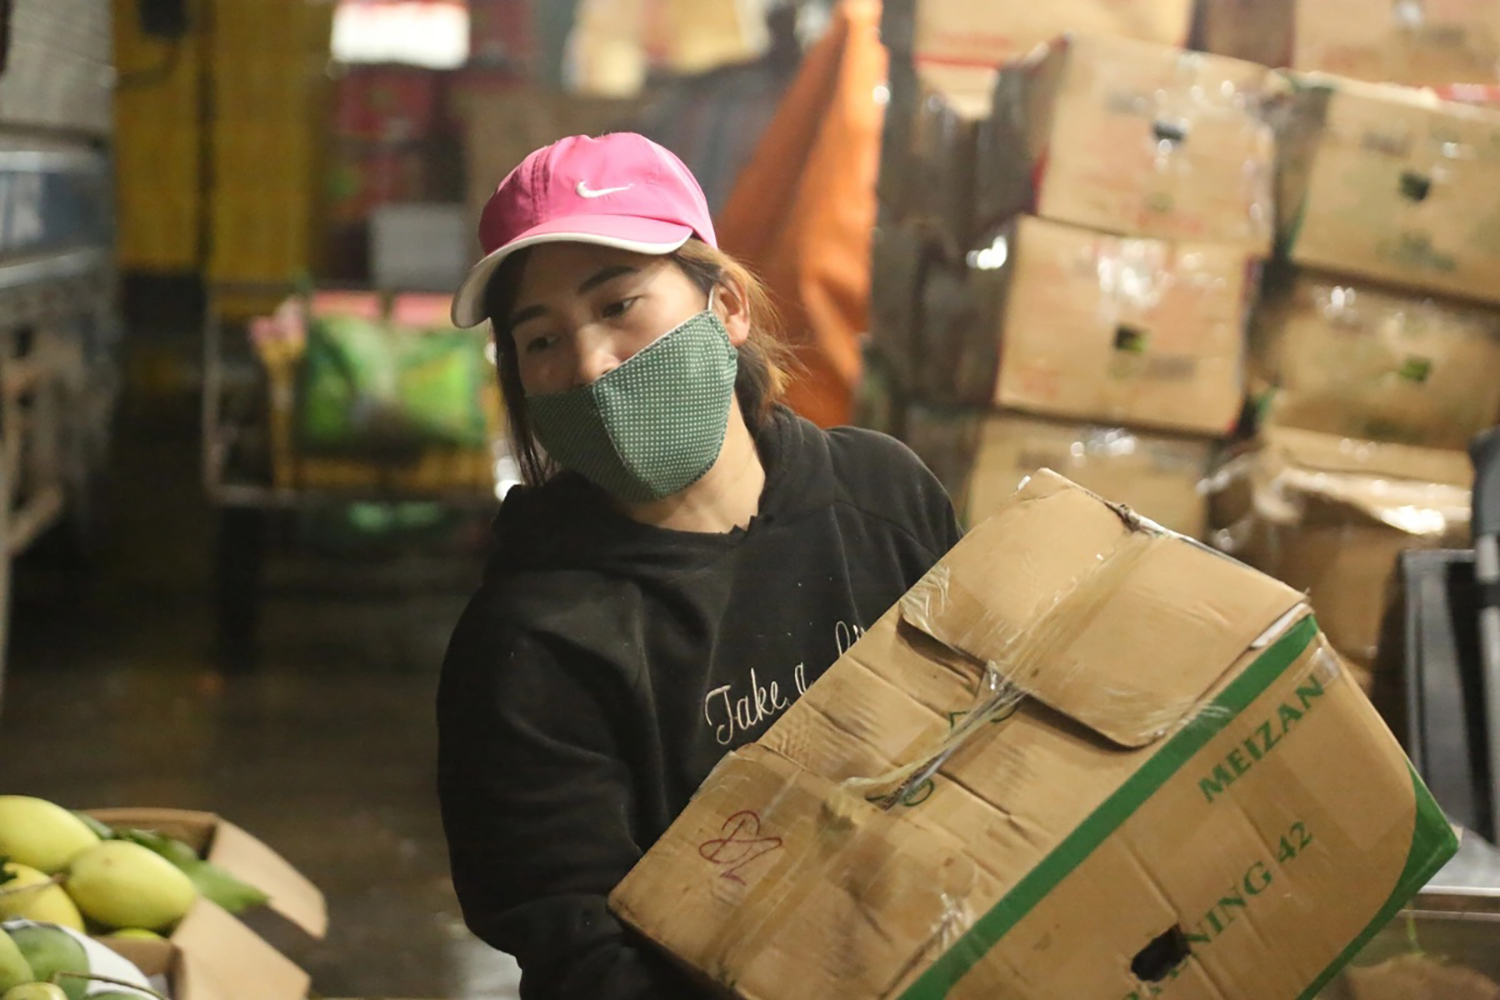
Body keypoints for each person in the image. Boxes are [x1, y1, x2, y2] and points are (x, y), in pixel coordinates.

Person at [436, 131, 962, 1000]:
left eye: (618, 305)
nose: (591, 366)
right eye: (542, 341)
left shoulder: (883, 497)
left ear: (727, 308)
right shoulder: (533, 640)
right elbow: (581, 948)